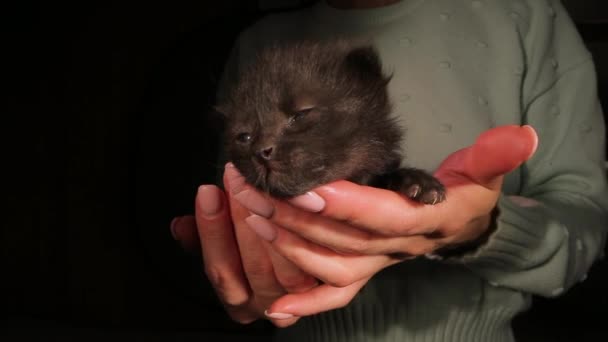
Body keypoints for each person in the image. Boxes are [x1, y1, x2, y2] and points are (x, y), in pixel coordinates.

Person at [170, 0, 608, 340]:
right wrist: (240, 278)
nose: (264, 146)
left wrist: (480, 229)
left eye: (300, 115)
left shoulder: (523, 18)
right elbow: (236, 252)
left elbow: (582, 229)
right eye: (245, 138)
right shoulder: (256, 44)